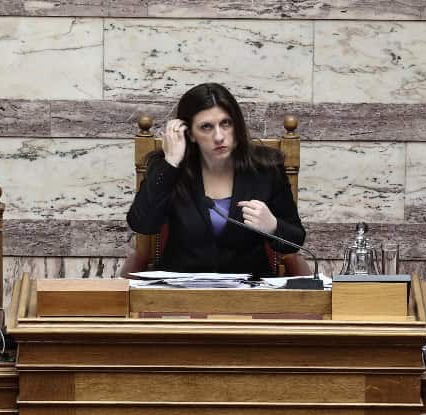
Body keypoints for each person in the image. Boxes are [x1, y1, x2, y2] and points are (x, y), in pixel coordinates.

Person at [125, 83, 306, 276]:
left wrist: (273, 226)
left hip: (249, 288)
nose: (219, 136)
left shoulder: (266, 169)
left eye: (226, 123)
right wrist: (171, 163)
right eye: (206, 127)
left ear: (236, 125)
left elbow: (295, 240)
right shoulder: (169, 169)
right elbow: (143, 224)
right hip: (182, 288)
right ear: (190, 134)